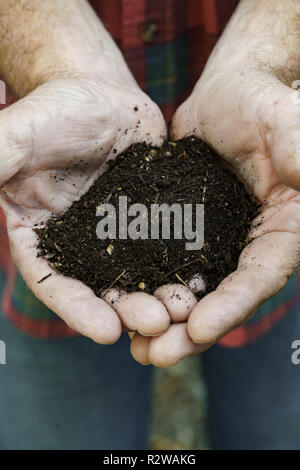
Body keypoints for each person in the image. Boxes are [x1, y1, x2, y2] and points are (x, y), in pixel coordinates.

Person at [0, 0, 300, 449]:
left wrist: (267, 50)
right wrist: (53, 61)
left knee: (271, 428)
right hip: (49, 176)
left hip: (265, 176)